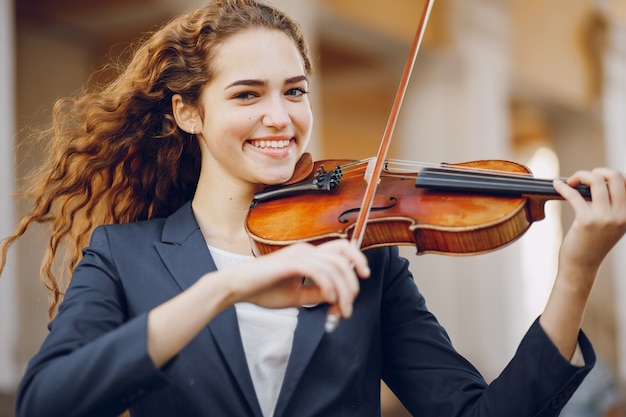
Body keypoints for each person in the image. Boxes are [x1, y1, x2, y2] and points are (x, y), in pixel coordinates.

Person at [2, 0, 626, 416]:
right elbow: (45, 403)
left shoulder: (364, 255)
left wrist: (575, 275)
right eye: (248, 94)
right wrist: (225, 288)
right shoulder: (124, 256)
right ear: (188, 112)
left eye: (294, 90)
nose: (281, 118)